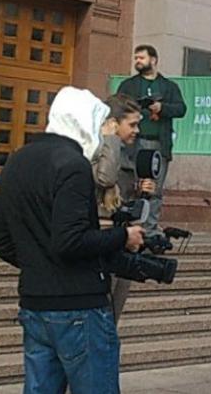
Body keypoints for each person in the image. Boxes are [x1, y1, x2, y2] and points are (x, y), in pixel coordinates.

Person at [0, 87, 145, 394]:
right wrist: (122, 236)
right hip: (79, 306)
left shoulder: (17, 161)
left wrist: (40, 266)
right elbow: (70, 242)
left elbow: (1, 242)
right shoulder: (73, 165)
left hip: (35, 303)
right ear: (83, 121)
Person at [91, 94, 154, 322]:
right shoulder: (96, 149)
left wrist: (139, 189)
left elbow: (121, 195)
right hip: (101, 237)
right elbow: (105, 179)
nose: (137, 130)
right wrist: (110, 139)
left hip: (122, 238)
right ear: (113, 123)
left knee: (113, 315)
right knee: (100, 313)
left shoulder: (125, 152)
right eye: (133, 124)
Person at [114, 45, 186, 236]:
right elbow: (116, 105)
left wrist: (161, 108)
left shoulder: (169, 86)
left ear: (153, 60)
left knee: (155, 189)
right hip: (132, 143)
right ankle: (127, 227)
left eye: (141, 58)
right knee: (130, 185)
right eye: (136, 58)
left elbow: (181, 109)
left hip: (157, 143)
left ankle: (150, 229)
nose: (137, 61)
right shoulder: (128, 85)